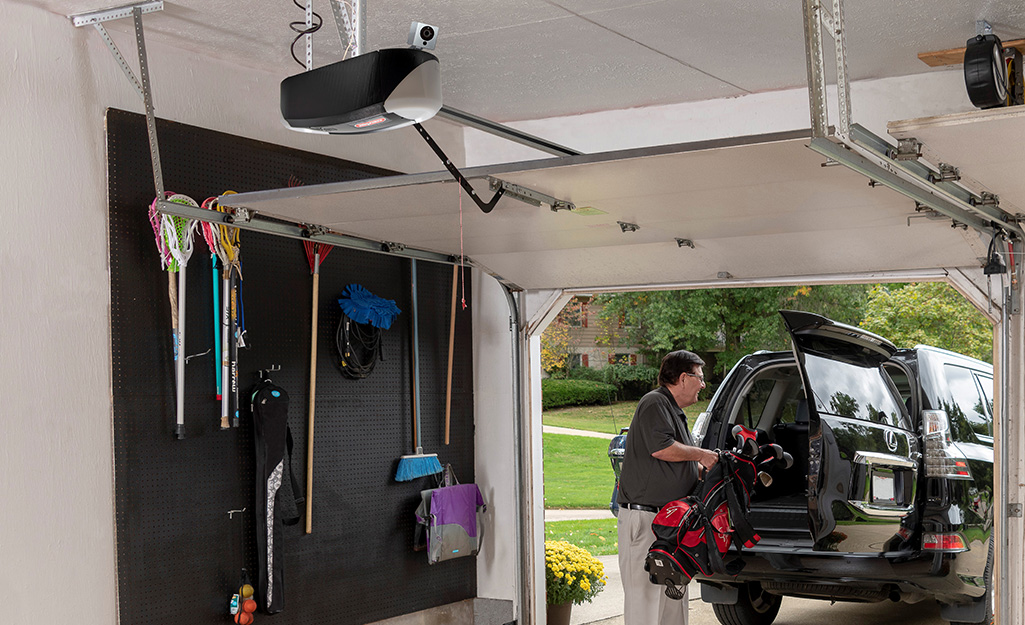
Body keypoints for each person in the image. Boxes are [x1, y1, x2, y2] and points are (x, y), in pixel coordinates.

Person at [617, 349, 718, 625]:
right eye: (700, 377)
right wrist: (702, 455)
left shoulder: (673, 411)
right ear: (683, 378)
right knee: (645, 607)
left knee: (673, 608)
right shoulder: (654, 403)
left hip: (670, 525)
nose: (703, 384)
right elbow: (662, 449)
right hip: (647, 520)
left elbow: (680, 461)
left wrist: (708, 468)